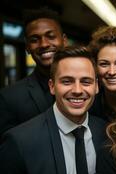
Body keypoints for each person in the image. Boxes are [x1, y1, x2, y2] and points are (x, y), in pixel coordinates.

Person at [0, 46, 106, 174]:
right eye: (67, 81)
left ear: (96, 86)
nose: (77, 90)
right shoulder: (19, 142)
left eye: (86, 81)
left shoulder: (105, 131)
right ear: (52, 86)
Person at [0, 7, 68, 135]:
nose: (43, 44)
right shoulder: (9, 98)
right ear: (27, 47)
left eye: (51, 36)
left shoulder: (88, 88)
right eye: (34, 40)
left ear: (64, 41)